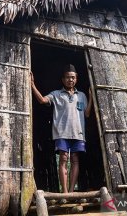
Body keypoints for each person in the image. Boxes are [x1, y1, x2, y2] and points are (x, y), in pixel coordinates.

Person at [30, 64, 92, 193]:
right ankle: (64, 192)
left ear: (77, 78)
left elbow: (86, 113)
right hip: (61, 132)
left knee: (75, 159)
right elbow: (42, 100)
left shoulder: (81, 95)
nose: (71, 80)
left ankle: (70, 191)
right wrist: (32, 85)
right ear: (63, 79)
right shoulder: (56, 94)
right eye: (68, 78)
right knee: (63, 158)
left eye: (73, 78)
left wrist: (91, 97)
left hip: (78, 132)